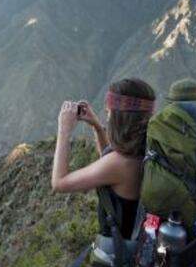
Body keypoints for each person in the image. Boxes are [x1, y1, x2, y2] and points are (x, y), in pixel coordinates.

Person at [51, 78, 156, 241]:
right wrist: (98, 128)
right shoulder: (147, 149)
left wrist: (64, 129)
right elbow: (108, 159)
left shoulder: (121, 164)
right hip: (137, 245)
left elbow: (59, 182)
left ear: (120, 118)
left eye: (108, 113)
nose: (108, 118)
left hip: (122, 255)